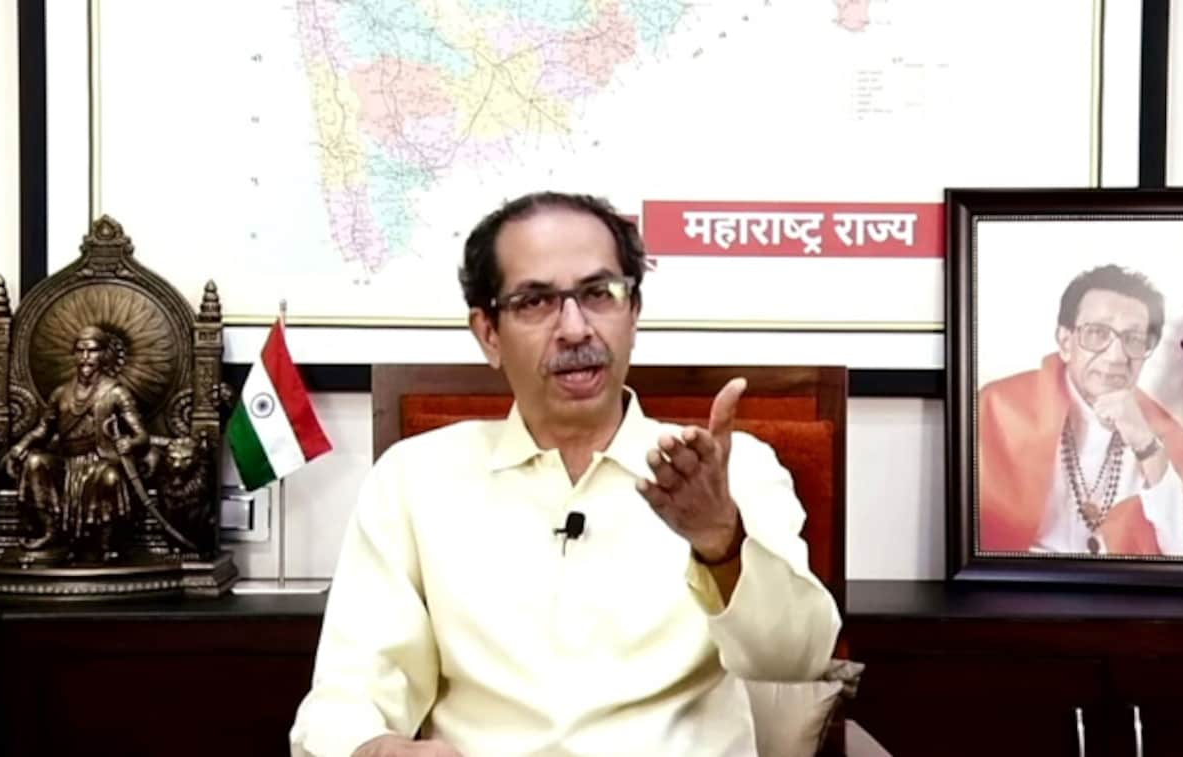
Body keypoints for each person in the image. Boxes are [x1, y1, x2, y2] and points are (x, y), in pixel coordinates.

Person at [290, 192, 841, 756]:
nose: (575, 329)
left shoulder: (729, 471)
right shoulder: (416, 478)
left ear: (634, 312)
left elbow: (795, 658)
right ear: (488, 333)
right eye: (535, 301)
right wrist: (372, 748)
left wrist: (720, 541)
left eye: (599, 294)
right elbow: (352, 687)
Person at [979, 264, 1183, 556]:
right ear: (1065, 342)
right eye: (1097, 333)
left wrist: (1146, 446)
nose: (1116, 357)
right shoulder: (999, 407)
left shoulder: (1162, 430)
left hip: (1124, 583)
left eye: (1134, 339)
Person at [4, 325, 149, 557]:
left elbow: (142, 435)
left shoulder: (116, 393)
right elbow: (43, 429)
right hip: (67, 461)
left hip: (99, 460)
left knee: (110, 478)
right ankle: (50, 531)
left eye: (92, 351)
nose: (85, 357)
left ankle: (106, 543)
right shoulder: (61, 393)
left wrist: (130, 443)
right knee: (35, 462)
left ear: (104, 355)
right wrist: (21, 445)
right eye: (80, 351)